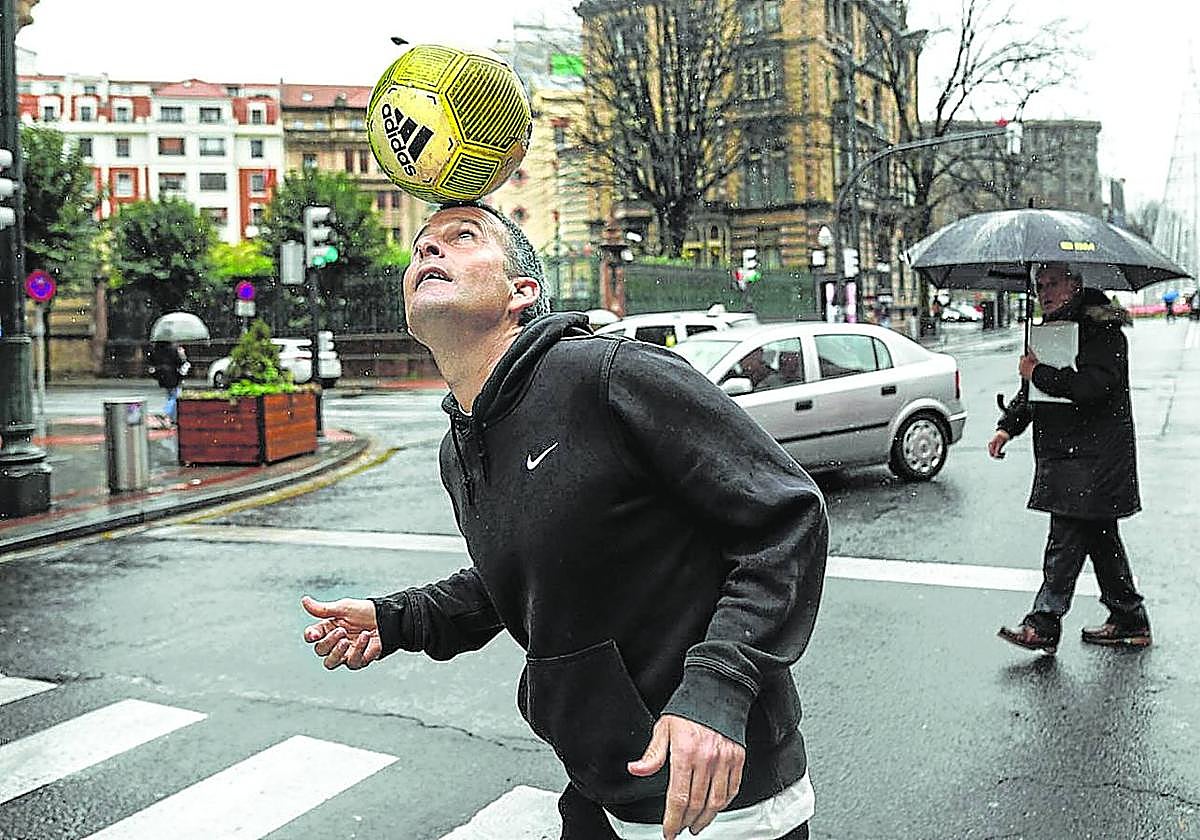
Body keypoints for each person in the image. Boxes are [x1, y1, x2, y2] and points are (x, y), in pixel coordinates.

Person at [300, 202, 829, 840]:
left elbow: (786, 516)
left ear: (521, 293)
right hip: (601, 782)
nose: (428, 252)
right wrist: (398, 619)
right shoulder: (460, 445)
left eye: (463, 237)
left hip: (717, 794)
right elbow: (526, 576)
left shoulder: (609, 375)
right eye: (420, 248)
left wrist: (719, 686)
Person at [989, 263, 1150, 654]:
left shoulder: (1102, 331)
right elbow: (1034, 393)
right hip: (1071, 457)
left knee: (1065, 539)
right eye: (1040, 285)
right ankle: (1129, 618)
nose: (1044, 292)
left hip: (1095, 458)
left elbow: (1092, 386)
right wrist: (1008, 426)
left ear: (1075, 285)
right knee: (1101, 540)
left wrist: (1039, 371)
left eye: (1053, 284)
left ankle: (1043, 622)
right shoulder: (1050, 330)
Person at [147, 340, 189, 425]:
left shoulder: (156, 350)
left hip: (162, 376)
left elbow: (152, 362)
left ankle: (171, 417)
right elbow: (180, 362)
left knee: (171, 395)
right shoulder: (173, 350)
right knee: (173, 397)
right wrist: (182, 354)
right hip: (173, 376)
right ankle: (169, 414)